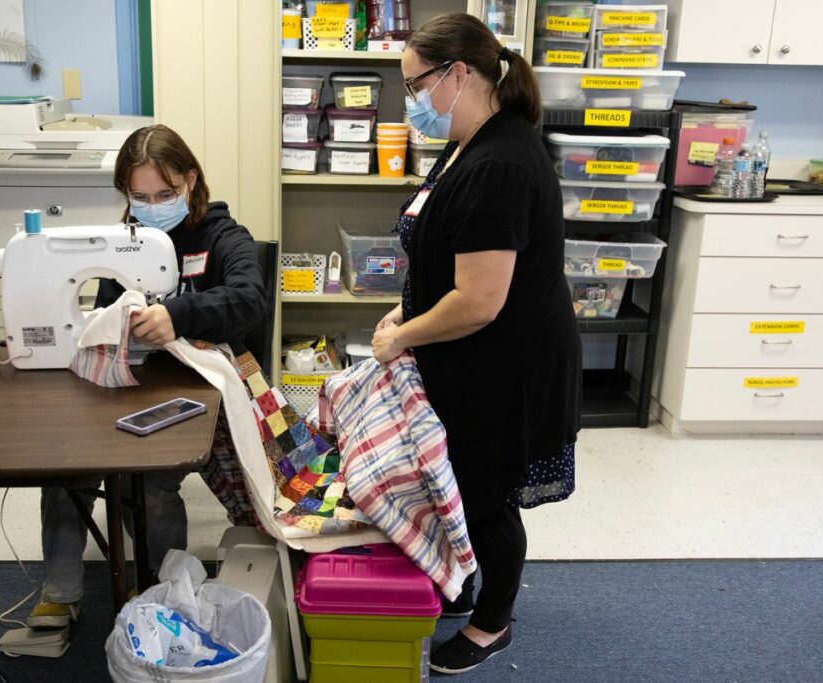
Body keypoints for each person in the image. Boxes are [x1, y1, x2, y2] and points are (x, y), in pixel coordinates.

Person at [371, 14, 581, 676]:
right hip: (465, 353)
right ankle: (461, 586)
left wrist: (400, 334)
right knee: (456, 481)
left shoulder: (503, 162)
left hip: (504, 361)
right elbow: (441, 250)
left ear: (459, 74)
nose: (412, 105)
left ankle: (493, 622)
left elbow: (480, 300)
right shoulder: (467, 141)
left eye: (415, 87)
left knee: (485, 493)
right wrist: (398, 311)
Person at [31, 124, 267, 627]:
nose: (152, 204)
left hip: (197, 389)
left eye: (165, 193)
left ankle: (162, 587)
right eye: (139, 196)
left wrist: (178, 314)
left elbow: (250, 299)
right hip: (129, 383)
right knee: (65, 470)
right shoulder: (120, 242)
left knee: (150, 478)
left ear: (190, 180)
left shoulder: (224, 237)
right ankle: (60, 591)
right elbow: (99, 315)